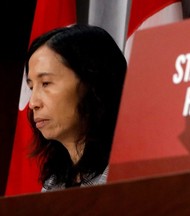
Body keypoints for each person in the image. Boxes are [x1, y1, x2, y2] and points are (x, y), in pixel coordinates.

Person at [25, 24, 127, 191]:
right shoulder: (53, 184)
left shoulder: (131, 176)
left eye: (46, 83)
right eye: (31, 87)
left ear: (93, 84)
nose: (33, 103)